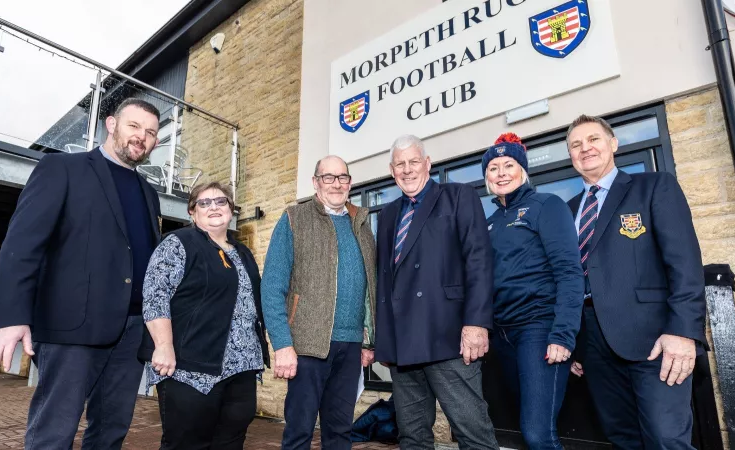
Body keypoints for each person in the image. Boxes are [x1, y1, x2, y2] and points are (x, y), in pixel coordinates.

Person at [0, 98, 163, 449]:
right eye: (134, 126)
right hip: (72, 329)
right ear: (111, 125)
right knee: (54, 433)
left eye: (152, 132)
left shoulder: (149, 194)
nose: (142, 137)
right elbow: (22, 245)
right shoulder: (62, 168)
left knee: (111, 432)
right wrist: (9, 316)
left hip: (131, 332)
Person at [566, 115, 706, 449]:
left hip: (655, 339)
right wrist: (570, 338)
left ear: (613, 144)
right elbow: (565, 277)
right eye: (576, 145)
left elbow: (684, 263)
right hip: (592, 342)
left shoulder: (654, 186)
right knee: (622, 437)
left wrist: (684, 331)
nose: (585, 149)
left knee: (664, 437)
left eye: (594, 140)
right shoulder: (567, 210)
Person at [374, 134, 499, 450]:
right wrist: (385, 341)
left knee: (473, 432)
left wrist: (477, 324)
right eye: (400, 164)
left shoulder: (458, 196)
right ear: (392, 171)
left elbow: (479, 261)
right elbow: (384, 279)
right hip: (404, 344)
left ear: (427, 163)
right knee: (412, 435)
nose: (407, 169)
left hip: (450, 336)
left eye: (413, 161)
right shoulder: (388, 215)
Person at [138, 181, 270, 449]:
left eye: (221, 201)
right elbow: (155, 295)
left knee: (231, 443)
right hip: (190, 369)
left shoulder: (243, 253)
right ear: (192, 212)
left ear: (231, 210)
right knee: (186, 444)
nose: (214, 207)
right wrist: (163, 346)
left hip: (243, 368)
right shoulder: (178, 243)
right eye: (204, 203)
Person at [261, 155, 377, 450]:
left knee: (340, 433)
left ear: (350, 183)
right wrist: (283, 345)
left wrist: (368, 340)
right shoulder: (293, 219)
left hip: (350, 347)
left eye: (342, 178)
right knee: (299, 432)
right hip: (307, 346)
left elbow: (369, 287)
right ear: (315, 182)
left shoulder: (362, 224)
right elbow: (272, 288)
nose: (336, 184)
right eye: (329, 177)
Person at [483, 133, 585, 449]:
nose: (500, 173)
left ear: (523, 170)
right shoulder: (489, 222)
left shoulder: (547, 206)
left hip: (539, 329)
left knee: (538, 434)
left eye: (508, 165)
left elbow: (570, 273)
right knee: (524, 427)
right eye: (493, 168)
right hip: (503, 337)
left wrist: (563, 335)